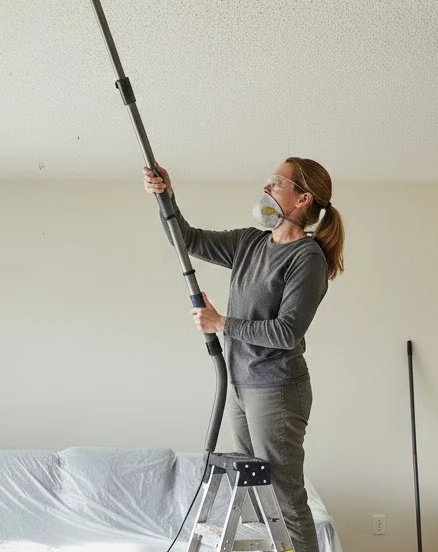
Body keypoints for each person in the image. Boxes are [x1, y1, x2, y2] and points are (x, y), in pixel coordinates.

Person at [142, 157, 345, 552]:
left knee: (285, 497)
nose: (267, 187)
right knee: (256, 494)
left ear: (303, 198)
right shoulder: (250, 243)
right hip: (240, 385)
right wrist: (165, 195)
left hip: (277, 391)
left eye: (276, 181)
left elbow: (286, 332)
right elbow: (186, 238)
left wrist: (222, 323)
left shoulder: (307, 258)